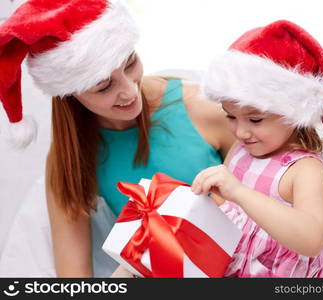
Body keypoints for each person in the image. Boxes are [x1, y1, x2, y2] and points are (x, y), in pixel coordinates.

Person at [0, 0, 234, 277]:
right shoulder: (72, 156)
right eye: (104, 86)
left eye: (131, 63)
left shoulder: (205, 109)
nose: (129, 91)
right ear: (70, 92)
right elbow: (73, 279)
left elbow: (264, 215)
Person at [191, 20, 323, 277]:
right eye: (230, 116)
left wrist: (239, 192)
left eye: (255, 120)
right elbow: (228, 209)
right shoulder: (242, 149)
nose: (241, 132)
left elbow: (311, 240)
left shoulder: (304, 170)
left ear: (291, 112)